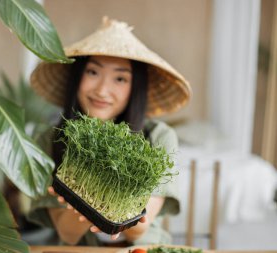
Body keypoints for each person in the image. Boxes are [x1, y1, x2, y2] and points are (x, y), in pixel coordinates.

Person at [26, 16, 191, 246]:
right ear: (77, 76)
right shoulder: (50, 139)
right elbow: (68, 234)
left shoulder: (159, 137)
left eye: (120, 78)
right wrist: (86, 203)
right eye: (93, 72)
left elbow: (137, 231)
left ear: (136, 88)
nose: (103, 90)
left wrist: (100, 196)